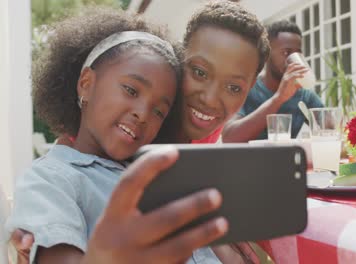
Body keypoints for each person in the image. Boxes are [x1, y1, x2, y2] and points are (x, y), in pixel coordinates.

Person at [9, 1, 270, 263]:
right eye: (131, 91)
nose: (143, 114)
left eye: (159, 111)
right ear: (86, 83)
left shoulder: (154, 168)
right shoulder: (54, 179)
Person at [154, 0, 270, 144]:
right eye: (200, 73)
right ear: (179, 56)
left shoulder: (208, 124)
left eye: (233, 88)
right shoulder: (140, 123)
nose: (210, 100)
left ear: (251, 86)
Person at [222, 20, 323, 142]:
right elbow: (229, 138)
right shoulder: (246, 88)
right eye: (286, 52)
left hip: (286, 160)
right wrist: (279, 98)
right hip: (250, 160)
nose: (293, 59)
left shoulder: (304, 95)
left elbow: (330, 129)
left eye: (298, 53)